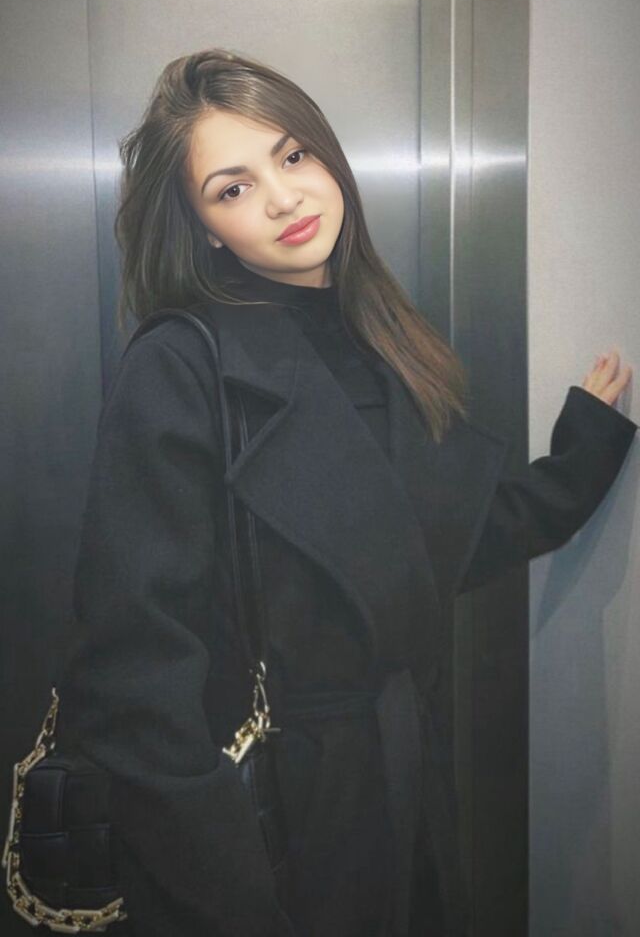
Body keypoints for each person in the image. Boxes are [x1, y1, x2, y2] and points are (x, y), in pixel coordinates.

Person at [57, 48, 637, 937]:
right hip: (274, 829)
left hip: (403, 792)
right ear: (206, 228)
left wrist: (581, 458)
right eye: (233, 188)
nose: (283, 198)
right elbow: (133, 684)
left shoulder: (387, 339)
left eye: (292, 156)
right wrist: (229, 899)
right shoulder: (180, 366)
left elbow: (428, 552)